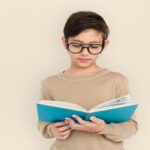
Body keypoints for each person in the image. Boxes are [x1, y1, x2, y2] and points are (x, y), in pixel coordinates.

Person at [37, 11, 138, 150]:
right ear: (64, 42)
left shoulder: (116, 80)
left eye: (94, 46)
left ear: (105, 44)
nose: (85, 53)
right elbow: (43, 123)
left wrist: (103, 128)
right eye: (77, 45)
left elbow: (131, 127)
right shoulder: (50, 83)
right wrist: (51, 130)